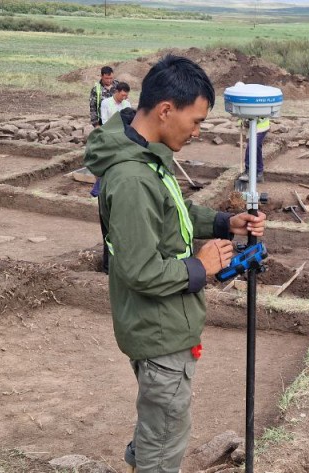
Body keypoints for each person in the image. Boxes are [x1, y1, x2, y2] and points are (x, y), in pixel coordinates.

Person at [84, 55, 266, 473]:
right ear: (166, 110)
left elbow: (172, 213)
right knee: (165, 436)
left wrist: (224, 222)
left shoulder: (147, 155)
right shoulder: (132, 178)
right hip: (160, 331)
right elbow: (139, 270)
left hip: (164, 323)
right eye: (196, 120)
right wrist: (201, 267)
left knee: (160, 420)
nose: (197, 131)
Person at [92, 106, 138, 274]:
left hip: (106, 191)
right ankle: (113, 269)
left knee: (109, 232)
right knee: (117, 233)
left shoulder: (109, 141)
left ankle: (109, 268)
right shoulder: (122, 143)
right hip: (113, 192)